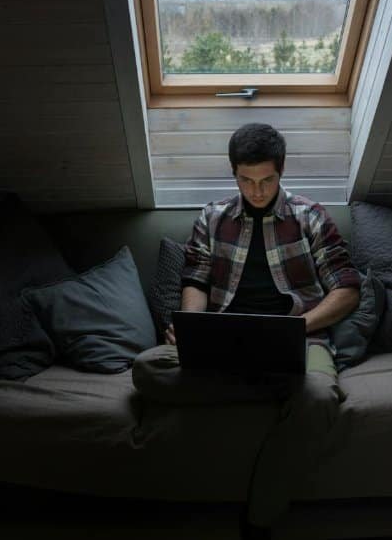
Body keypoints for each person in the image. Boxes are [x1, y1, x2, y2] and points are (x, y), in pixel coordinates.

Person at [132, 122, 362, 531]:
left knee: (321, 395)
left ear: (282, 171)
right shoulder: (213, 217)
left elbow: (347, 289)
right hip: (224, 340)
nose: (257, 191)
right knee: (147, 369)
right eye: (246, 180)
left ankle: (259, 519)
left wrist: (299, 327)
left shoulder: (310, 216)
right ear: (233, 173)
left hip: (300, 339)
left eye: (267, 180)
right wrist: (193, 326)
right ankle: (272, 390)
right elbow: (196, 279)